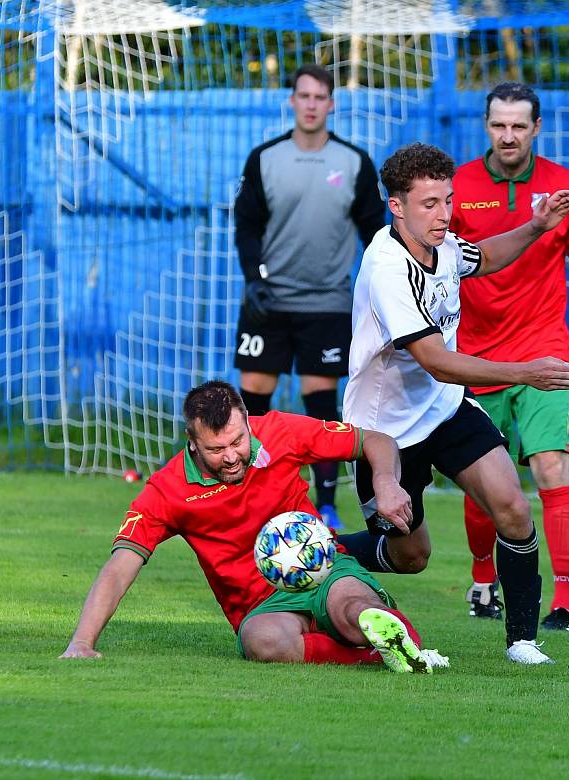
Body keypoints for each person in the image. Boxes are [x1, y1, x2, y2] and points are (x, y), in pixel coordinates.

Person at [338, 142, 569, 665]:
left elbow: (486, 256)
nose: (444, 214)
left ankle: (521, 640)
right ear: (397, 205)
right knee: (412, 557)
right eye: (429, 204)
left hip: (444, 409)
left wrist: (537, 226)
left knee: (514, 508)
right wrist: (527, 372)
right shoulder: (386, 266)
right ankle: (326, 550)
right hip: (385, 432)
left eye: (448, 200)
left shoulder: (444, 244)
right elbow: (436, 359)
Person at [59, 380, 447, 674]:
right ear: (192, 443)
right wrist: (81, 642)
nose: (230, 457)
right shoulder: (168, 490)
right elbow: (120, 565)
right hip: (261, 606)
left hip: (324, 569)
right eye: (216, 449)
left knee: (353, 608)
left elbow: (376, 441)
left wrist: (385, 483)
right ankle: (377, 656)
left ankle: (401, 643)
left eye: (237, 441)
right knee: (262, 641)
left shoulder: (280, 431)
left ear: (247, 420)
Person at [450, 82, 569, 632]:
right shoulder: (458, 186)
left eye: (518, 126)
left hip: (544, 351)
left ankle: (567, 602)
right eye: (499, 125)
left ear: (537, 128)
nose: (508, 136)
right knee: (485, 482)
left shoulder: (564, 187)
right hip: (476, 359)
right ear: (486, 126)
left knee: (552, 466)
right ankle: (484, 579)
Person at [233, 63, 385, 530]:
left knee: (320, 405)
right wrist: (254, 277)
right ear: (292, 101)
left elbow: (375, 233)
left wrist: (378, 289)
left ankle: (325, 506)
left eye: (321, 97)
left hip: (327, 305)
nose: (312, 104)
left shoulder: (354, 162)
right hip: (269, 302)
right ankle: (245, 499)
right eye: (304, 96)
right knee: (254, 400)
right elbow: (247, 227)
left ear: (331, 103)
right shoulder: (265, 158)